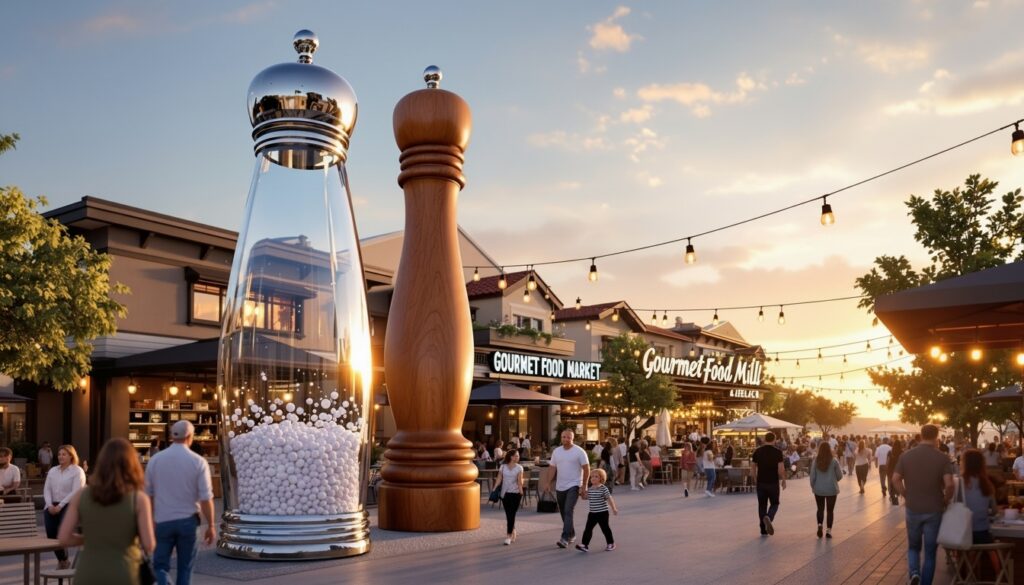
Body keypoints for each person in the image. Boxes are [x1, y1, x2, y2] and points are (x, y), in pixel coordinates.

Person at [58, 438, 156, 585]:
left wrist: (90, 538)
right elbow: (149, 544)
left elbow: (64, 538)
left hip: (88, 573)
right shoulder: (139, 498)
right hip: (124, 573)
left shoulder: (82, 495)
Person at [145, 420, 215, 585]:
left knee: (159, 566)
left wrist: (150, 520)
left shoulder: (155, 460)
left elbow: (148, 495)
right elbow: (206, 498)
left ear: (171, 436)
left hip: (162, 520)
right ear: (190, 436)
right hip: (188, 522)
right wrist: (211, 525)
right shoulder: (198, 462)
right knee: (185, 568)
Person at [892, 424, 954, 585]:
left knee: (913, 547)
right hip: (934, 508)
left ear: (921, 434)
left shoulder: (906, 456)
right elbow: (949, 484)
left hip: (913, 507)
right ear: (936, 436)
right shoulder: (942, 458)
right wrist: (946, 500)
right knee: (930, 552)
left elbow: (895, 479)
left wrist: (906, 494)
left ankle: (914, 573)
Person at [43, 444, 86, 569]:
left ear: (71, 456)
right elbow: (47, 490)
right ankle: (63, 560)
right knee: (51, 536)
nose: (61, 457)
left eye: (64, 454)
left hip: (68, 505)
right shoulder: (52, 470)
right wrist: (50, 505)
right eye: (59, 454)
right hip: (51, 505)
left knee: (62, 533)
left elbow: (76, 491)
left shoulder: (77, 471)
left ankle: (63, 562)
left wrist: (60, 506)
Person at [549, 429, 590, 549]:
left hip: (574, 485)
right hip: (560, 486)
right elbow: (552, 468)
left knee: (568, 510)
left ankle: (565, 538)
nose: (566, 439)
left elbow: (586, 469)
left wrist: (584, 486)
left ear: (573, 438)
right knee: (563, 511)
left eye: (568, 437)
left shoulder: (579, 452)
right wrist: (548, 482)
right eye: (563, 437)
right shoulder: (557, 451)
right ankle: (571, 534)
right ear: (561, 438)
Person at [752, 432, 786, 536]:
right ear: (774, 439)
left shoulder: (757, 451)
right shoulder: (778, 452)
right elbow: (781, 469)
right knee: (775, 503)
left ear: (764, 439)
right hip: (773, 482)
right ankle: (769, 517)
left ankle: (763, 529)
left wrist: (754, 478)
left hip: (761, 482)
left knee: (762, 505)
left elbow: (753, 467)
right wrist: (783, 479)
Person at [960, 449, 997, 546]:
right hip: (982, 532)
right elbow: (994, 510)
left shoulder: (959, 483)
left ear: (964, 463)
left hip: (962, 533)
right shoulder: (987, 483)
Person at [575, 468, 617, 552]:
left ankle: (611, 543)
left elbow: (609, 498)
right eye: (592, 477)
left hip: (603, 513)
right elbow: (585, 498)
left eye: (596, 477)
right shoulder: (590, 489)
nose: (593, 478)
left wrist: (614, 508)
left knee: (605, 528)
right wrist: (581, 493)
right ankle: (584, 545)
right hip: (592, 513)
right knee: (588, 529)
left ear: (601, 478)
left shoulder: (603, 488)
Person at [810, 441, 842, 539]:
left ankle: (820, 525)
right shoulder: (834, 461)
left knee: (820, 509)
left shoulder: (816, 461)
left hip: (819, 489)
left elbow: (812, 476)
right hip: (831, 489)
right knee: (830, 510)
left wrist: (813, 487)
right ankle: (828, 530)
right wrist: (833, 479)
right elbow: (840, 476)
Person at [493, 449, 524, 546]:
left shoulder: (519, 468)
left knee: (512, 514)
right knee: (509, 515)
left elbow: (519, 482)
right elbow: (499, 478)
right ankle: (509, 535)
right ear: (511, 457)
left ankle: (510, 533)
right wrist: (494, 488)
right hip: (505, 494)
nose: (518, 457)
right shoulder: (503, 467)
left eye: (518, 456)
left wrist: (521, 492)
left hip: (515, 494)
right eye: (516, 456)